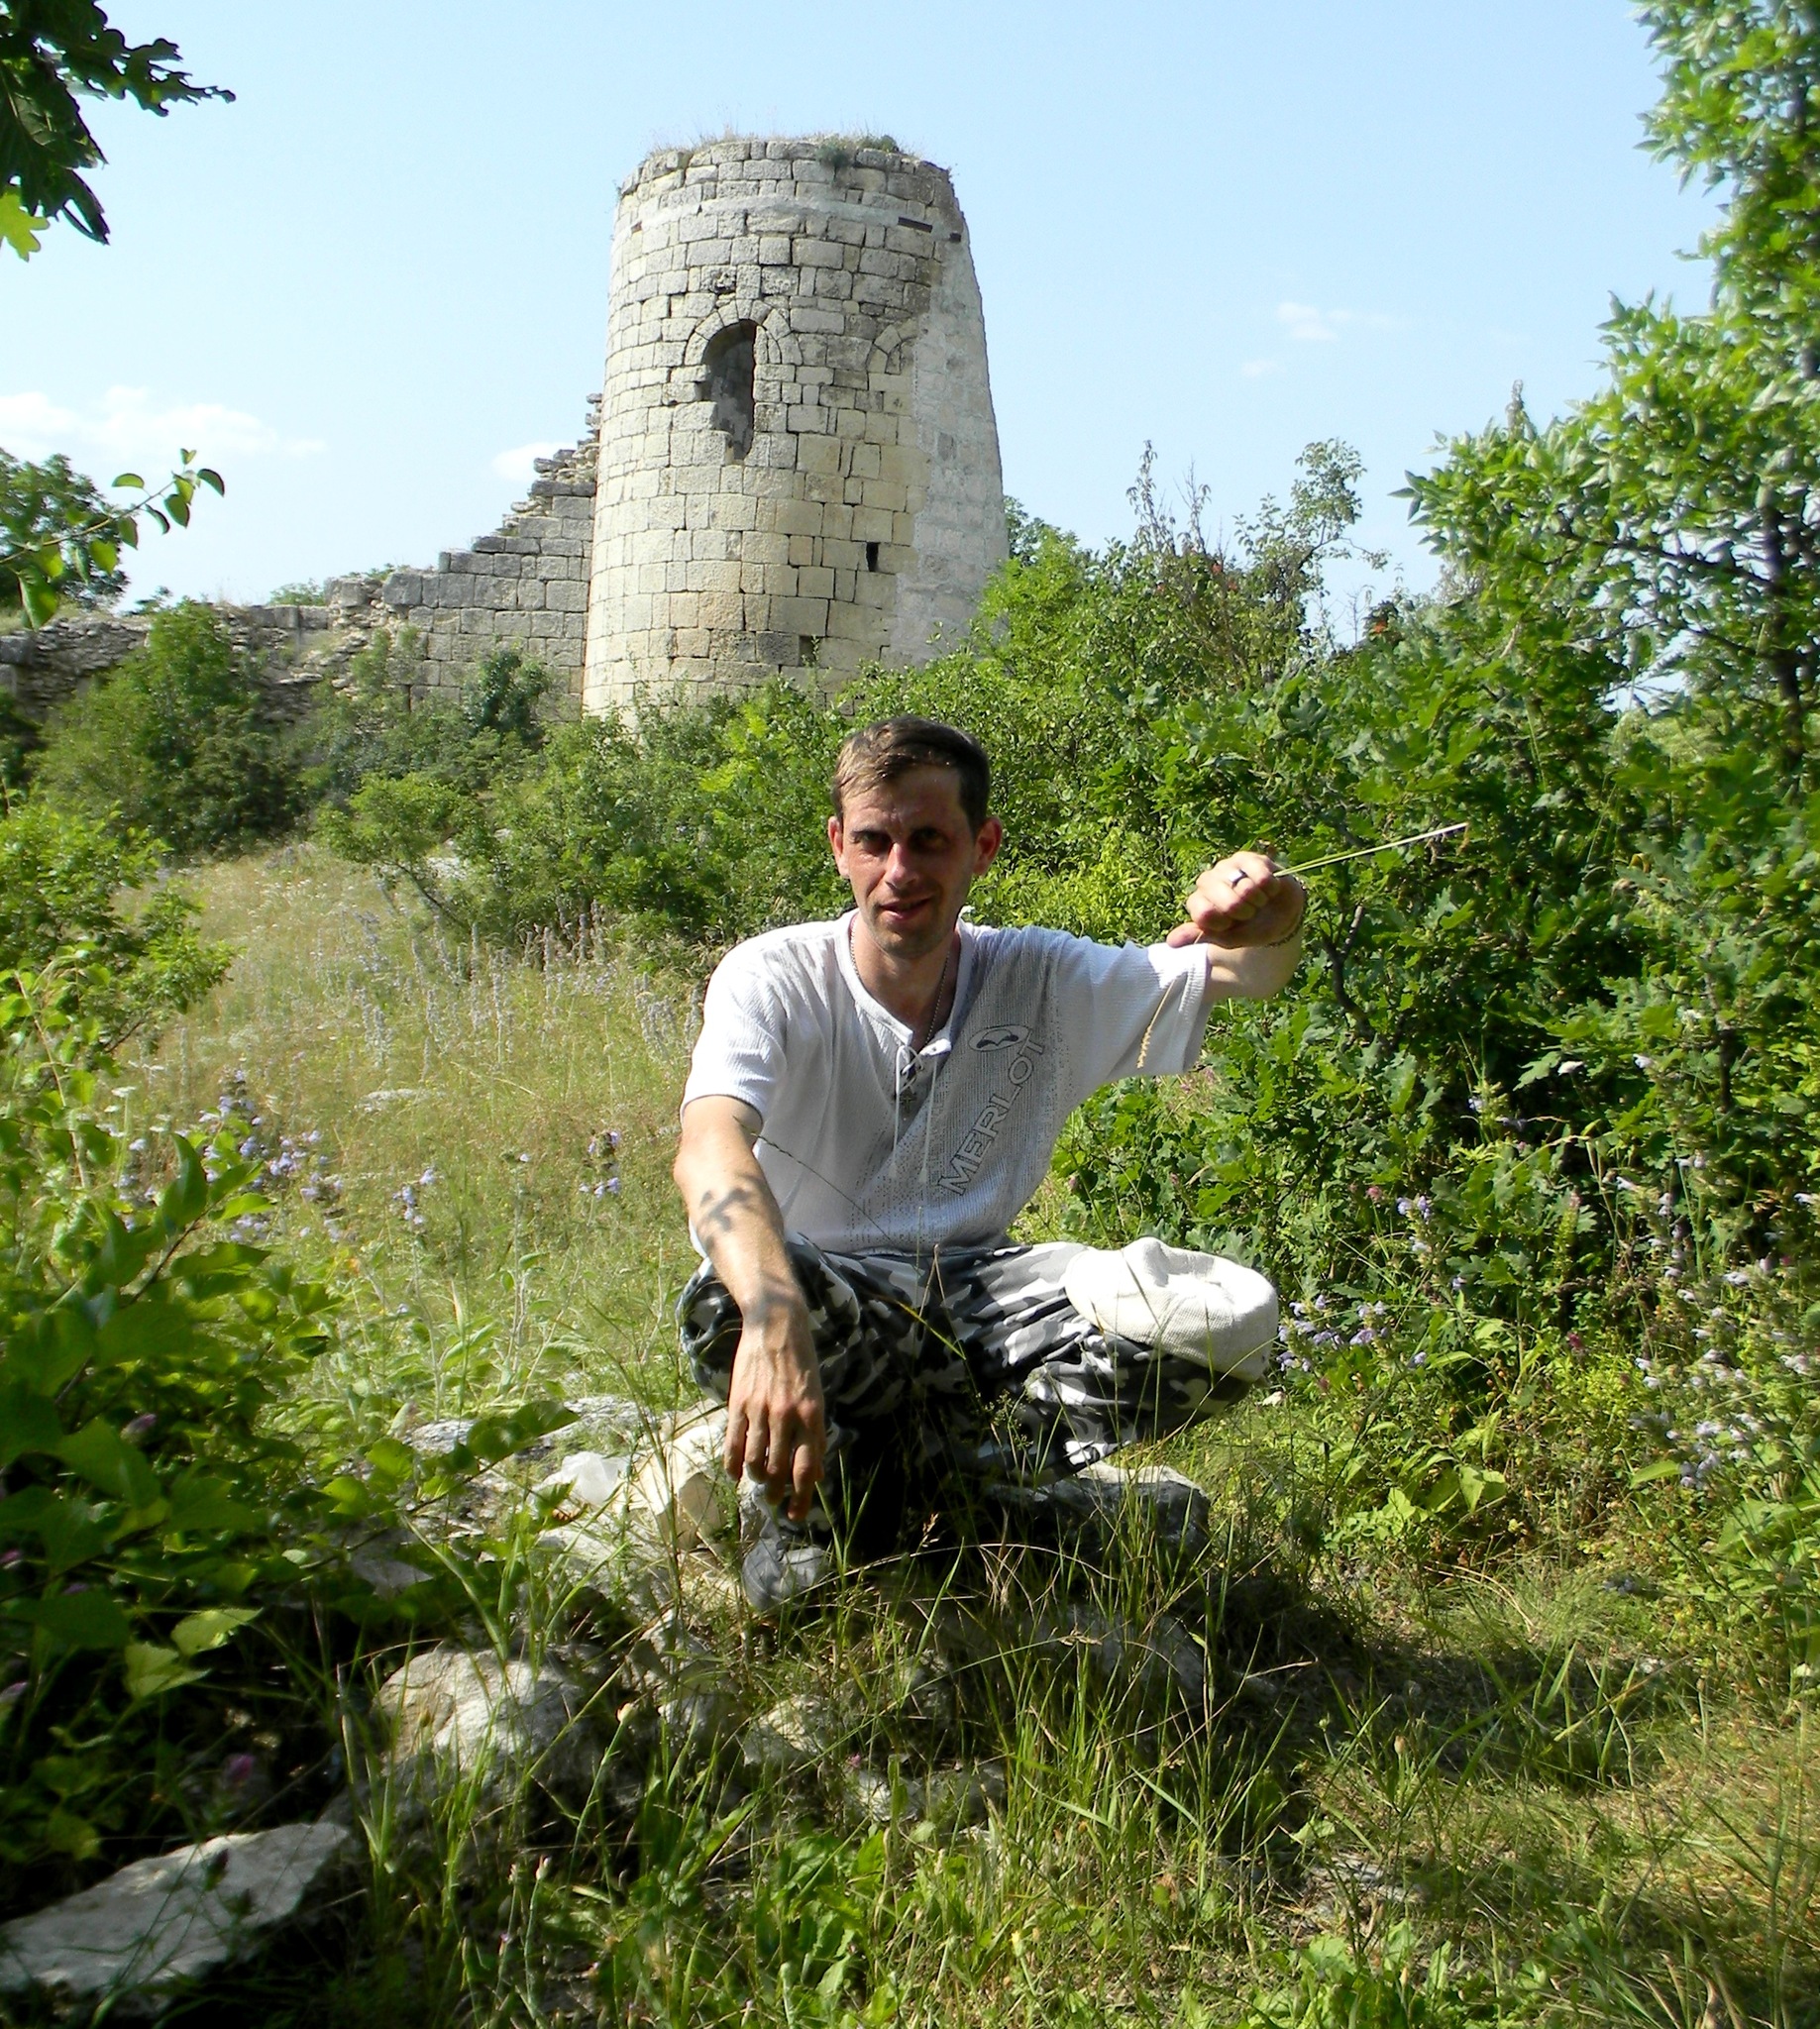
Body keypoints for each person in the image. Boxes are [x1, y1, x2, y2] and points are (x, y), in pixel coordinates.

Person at [671, 715, 1306, 1606]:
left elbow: (1248, 972)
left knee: (1229, 1313)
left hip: (977, 1294)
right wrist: (777, 1317)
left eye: (929, 840)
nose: (899, 870)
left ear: (983, 847)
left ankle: (950, 1486)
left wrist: (1277, 911)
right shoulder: (772, 974)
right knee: (724, 1299)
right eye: (874, 840)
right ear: (838, 846)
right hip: (826, 1297)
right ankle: (842, 1507)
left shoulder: (1038, 975)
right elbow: (709, 1141)